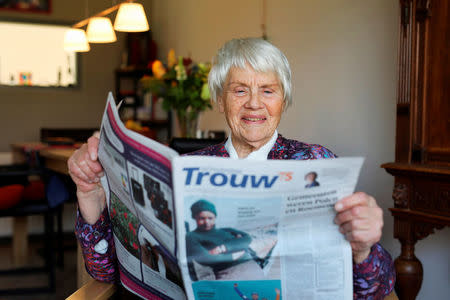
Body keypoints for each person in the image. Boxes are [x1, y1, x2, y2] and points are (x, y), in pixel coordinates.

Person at [68, 37, 395, 298]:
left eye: (268, 90)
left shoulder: (316, 163)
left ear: (283, 100)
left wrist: (364, 248)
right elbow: (104, 273)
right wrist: (90, 196)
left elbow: (375, 290)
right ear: (221, 100)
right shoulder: (186, 169)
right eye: (240, 90)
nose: (254, 103)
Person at [186, 199, 261, 281]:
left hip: (251, 266)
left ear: (215, 217)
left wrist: (222, 248)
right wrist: (234, 254)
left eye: (210, 218)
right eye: (202, 218)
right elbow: (206, 258)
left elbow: (247, 239)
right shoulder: (192, 236)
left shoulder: (226, 230)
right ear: (194, 217)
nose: (206, 222)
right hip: (227, 273)